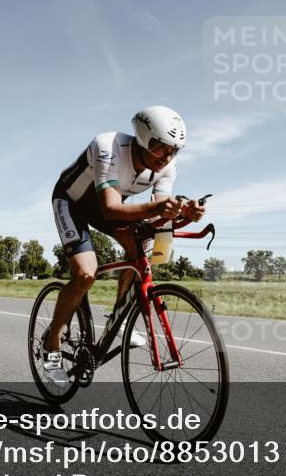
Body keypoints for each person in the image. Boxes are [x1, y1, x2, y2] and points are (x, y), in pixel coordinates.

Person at [44, 106, 205, 384]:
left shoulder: (166, 167)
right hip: (72, 203)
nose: (165, 157)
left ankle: (118, 318)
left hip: (110, 207)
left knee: (140, 247)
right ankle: (52, 343)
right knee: (85, 273)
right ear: (143, 138)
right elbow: (109, 208)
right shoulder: (108, 146)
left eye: (173, 150)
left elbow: (157, 215)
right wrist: (160, 207)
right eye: (159, 147)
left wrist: (182, 214)